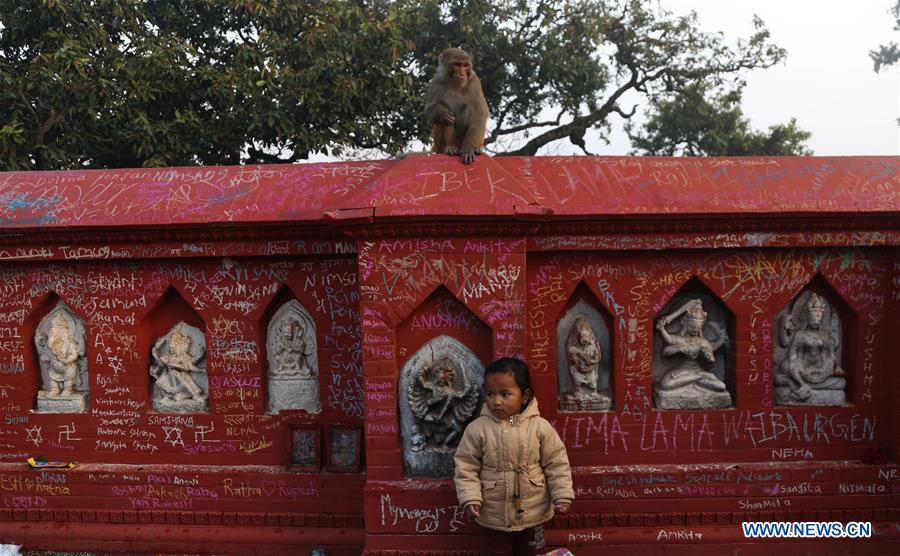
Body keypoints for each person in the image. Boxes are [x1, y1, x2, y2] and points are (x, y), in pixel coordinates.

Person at [454, 357, 574, 555]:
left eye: (505, 394)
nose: (496, 401)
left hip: (533, 512)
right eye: (490, 394)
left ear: (525, 396)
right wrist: (470, 497)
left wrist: (562, 494)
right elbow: (466, 466)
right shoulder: (477, 429)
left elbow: (557, 463)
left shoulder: (540, 427)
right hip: (494, 515)